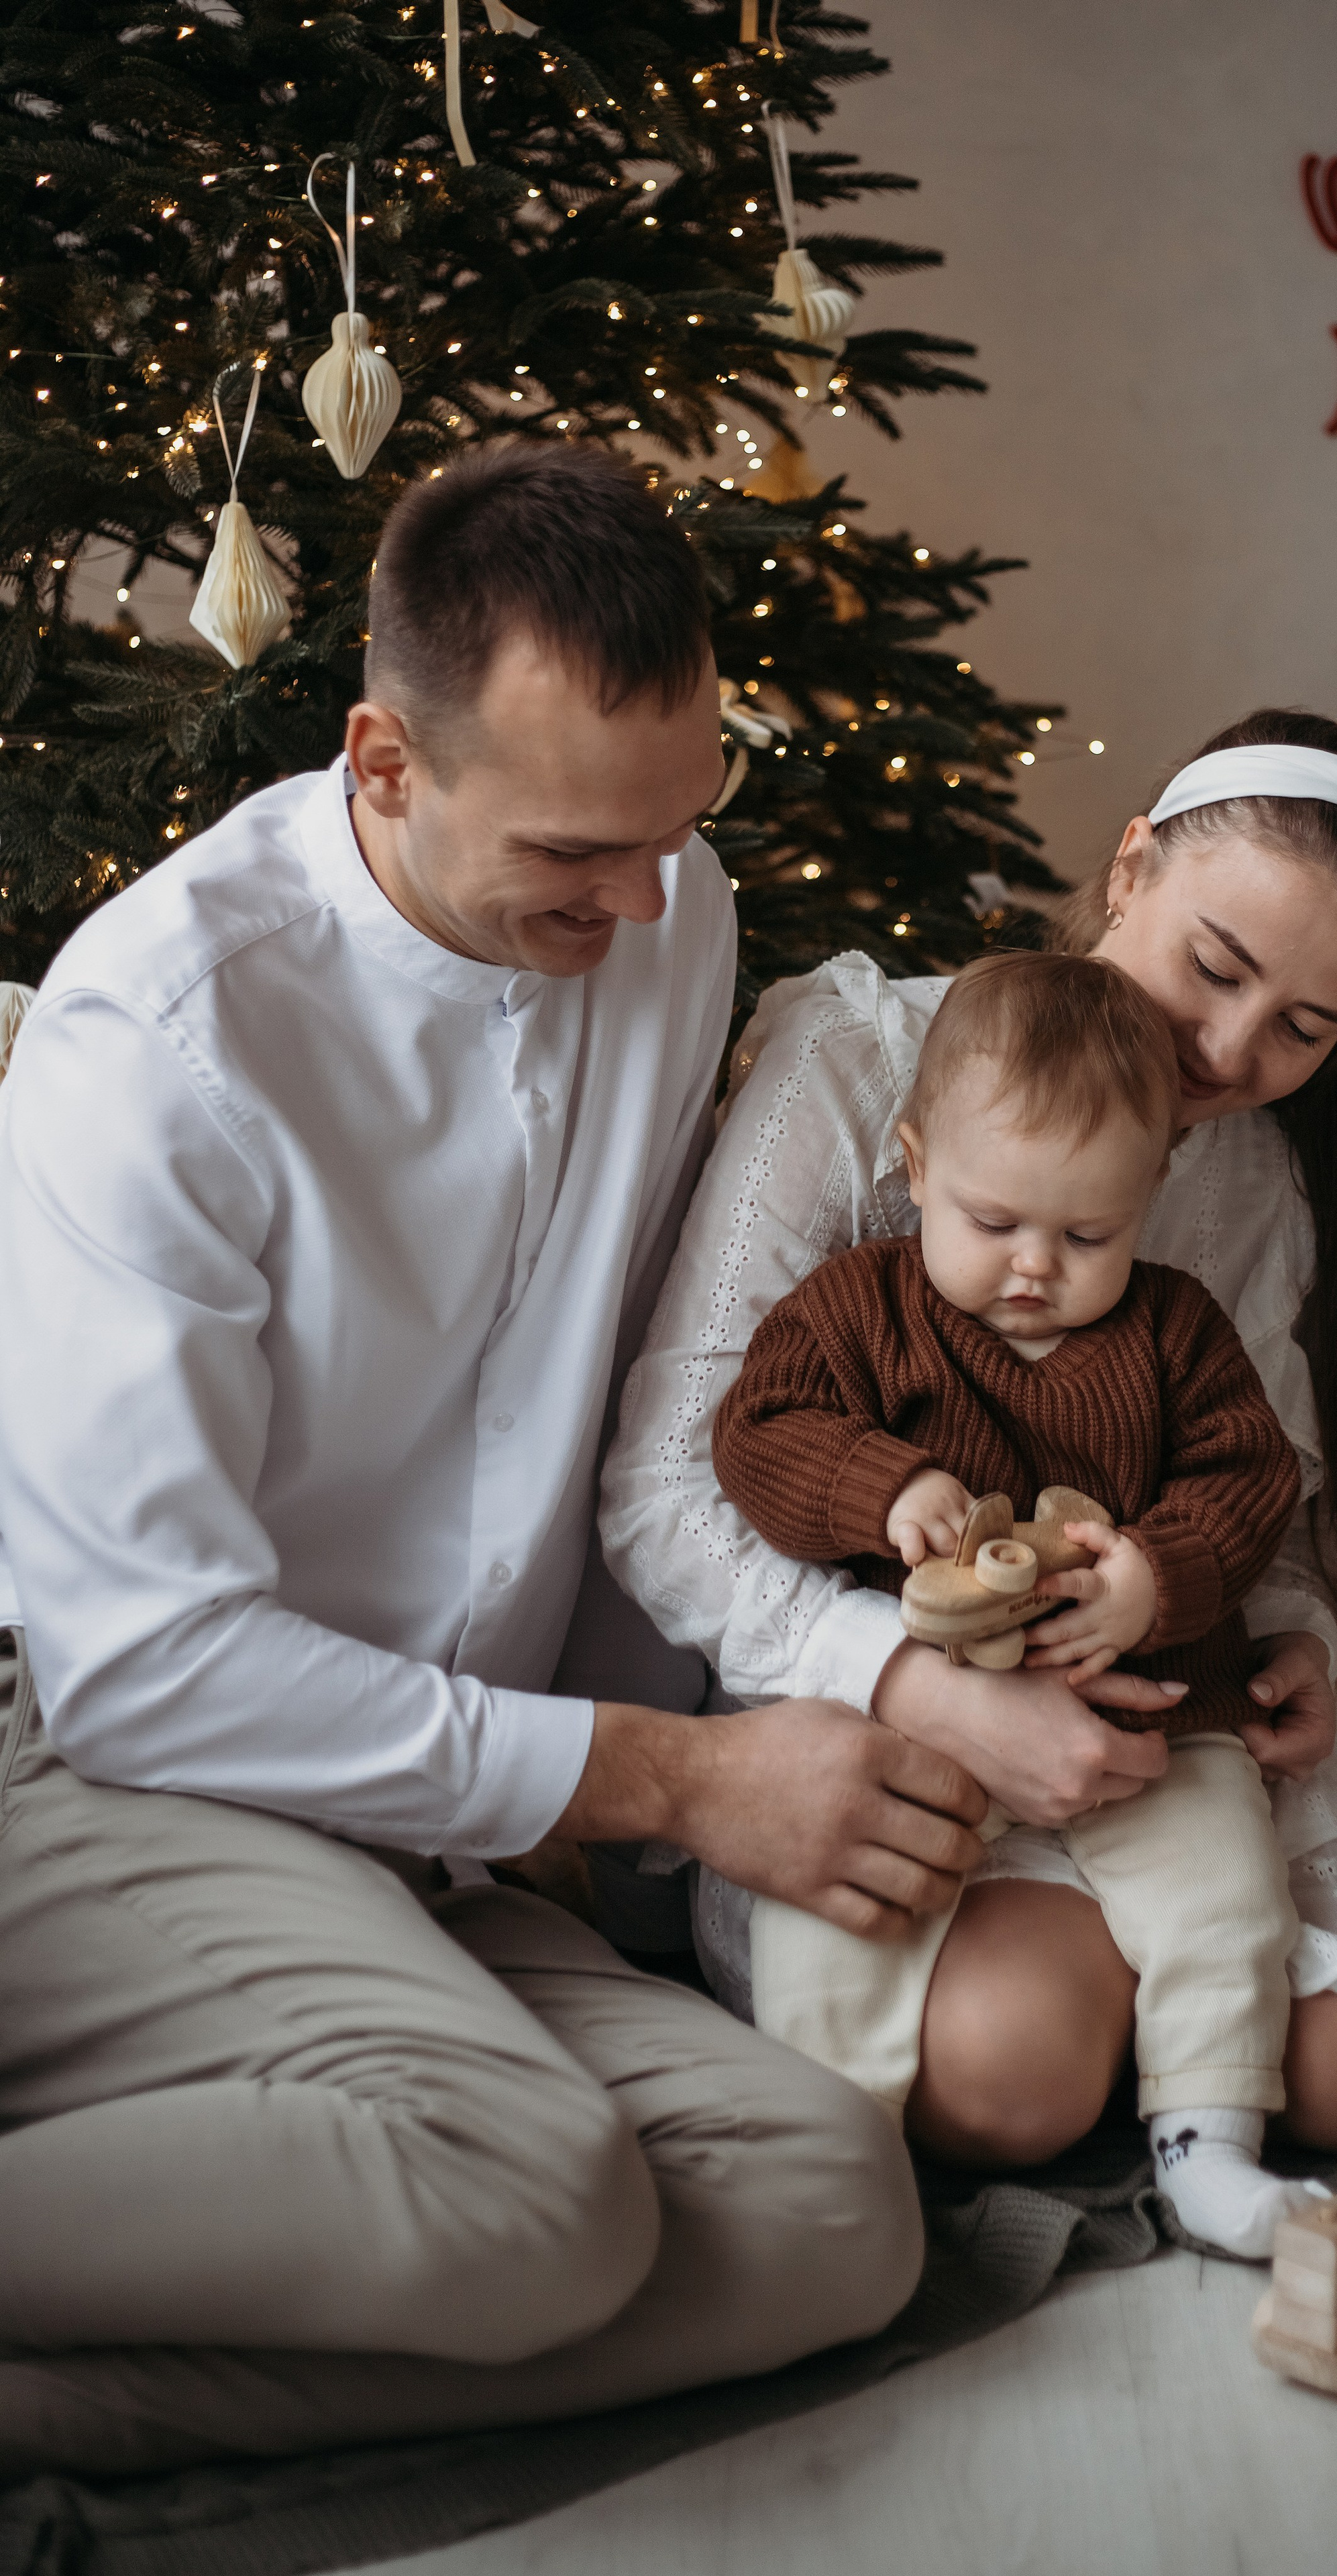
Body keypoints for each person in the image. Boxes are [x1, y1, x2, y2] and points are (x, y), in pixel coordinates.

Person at [0, 441, 991, 2478]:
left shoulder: (668, 903)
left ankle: (59, 2404)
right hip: (104, 1775)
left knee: (834, 2213)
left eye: (671, 837)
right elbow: (143, 1666)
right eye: (570, 861)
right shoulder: (158, 1040)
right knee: (536, 2187)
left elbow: (625, 1394)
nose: (637, 909)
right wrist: (682, 1781)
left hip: (431, 1823)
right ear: (381, 761)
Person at [602, 708, 1337, 2168]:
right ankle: (1100, 2003)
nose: (1222, 1049)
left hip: (1164, 1704)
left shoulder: (1252, 1182)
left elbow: (1257, 1491)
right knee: (1008, 2081)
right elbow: (667, 1483)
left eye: (1302, 1028)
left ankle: (1168, 2032)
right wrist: (918, 1685)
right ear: (1130, 866)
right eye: (1214, 967)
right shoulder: (858, 1069)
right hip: (882, 1698)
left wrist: (1295, 1642)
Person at [714, 949, 1320, 2256]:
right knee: (839, 1903)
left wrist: (1156, 1574)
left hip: (1148, 1712)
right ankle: (833, 2141)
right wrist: (881, 1488)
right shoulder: (858, 1308)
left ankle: (1209, 2146)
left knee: (1225, 1894)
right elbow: (756, 1433)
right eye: (993, 1223)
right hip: (920, 1713)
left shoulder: (1173, 1330)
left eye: (1085, 1234)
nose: (1033, 1268)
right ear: (915, 1163)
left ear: (1147, 1198)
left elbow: (1247, 1474)